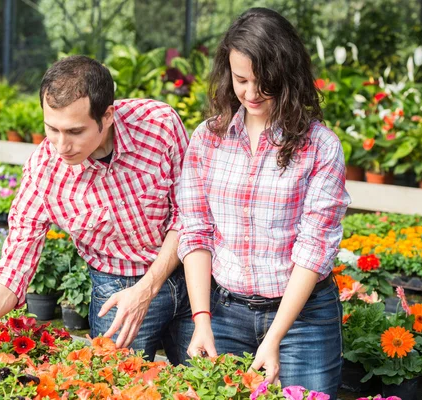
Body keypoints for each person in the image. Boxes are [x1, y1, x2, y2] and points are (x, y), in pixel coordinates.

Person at [0, 55, 193, 364]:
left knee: (205, 381)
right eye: (52, 129)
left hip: (190, 272)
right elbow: (16, 260)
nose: (61, 146)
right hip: (117, 287)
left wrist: (148, 287)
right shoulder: (43, 172)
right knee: (119, 387)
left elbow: (190, 213)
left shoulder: (159, 125)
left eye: (75, 132)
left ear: (108, 115)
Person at [177, 8, 351, 397]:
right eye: (241, 80)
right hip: (222, 311)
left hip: (303, 319)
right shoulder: (208, 138)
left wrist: (274, 338)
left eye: (264, 82)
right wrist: (201, 319)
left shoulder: (320, 146)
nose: (251, 93)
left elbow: (314, 249)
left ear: (287, 77)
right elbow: (196, 230)